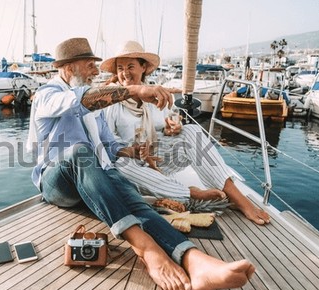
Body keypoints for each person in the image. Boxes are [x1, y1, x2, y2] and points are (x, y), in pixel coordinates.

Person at [27, 37, 255, 290]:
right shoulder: (47, 95)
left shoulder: (96, 108)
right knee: (81, 153)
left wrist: (131, 151)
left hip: (94, 180)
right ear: (68, 68)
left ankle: (194, 259)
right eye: (90, 64)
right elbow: (79, 101)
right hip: (58, 183)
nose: (96, 70)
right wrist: (135, 90)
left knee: (132, 199)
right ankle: (147, 250)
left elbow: (110, 147)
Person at [100, 40, 271, 225]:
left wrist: (174, 126)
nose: (124, 73)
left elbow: (171, 119)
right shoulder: (112, 101)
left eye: (130, 66)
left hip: (158, 159)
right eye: (120, 68)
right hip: (133, 165)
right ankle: (190, 193)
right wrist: (133, 151)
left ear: (144, 68)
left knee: (192, 131)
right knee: (120, 164)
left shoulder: (157, 94)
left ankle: (236, 196)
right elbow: (109, 143)